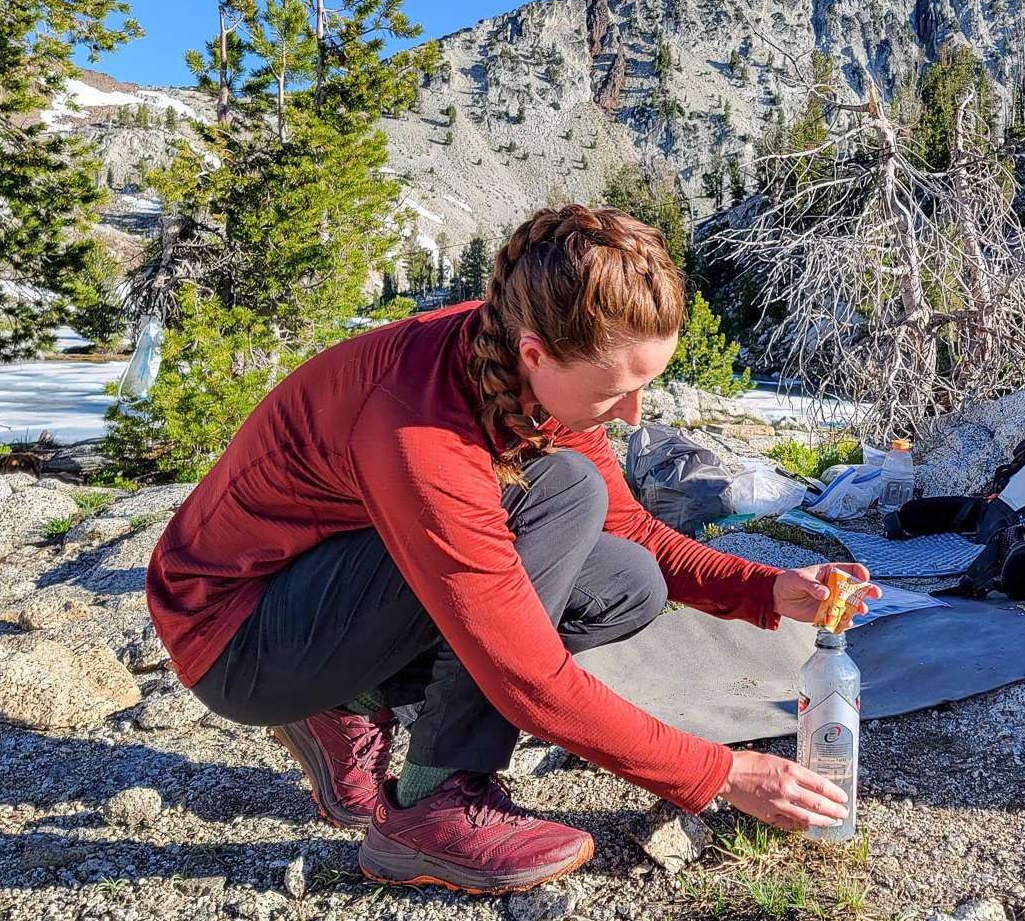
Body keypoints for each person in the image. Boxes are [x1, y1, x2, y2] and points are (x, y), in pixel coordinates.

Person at [145, 205, 876, 895]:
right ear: (537, 354)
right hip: (240, 637)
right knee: (564, 489)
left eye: (648, 385)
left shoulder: (527, 361)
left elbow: (633, 529)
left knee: (628, 581)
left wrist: (766, 590)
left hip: (329, 593)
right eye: (618, 391)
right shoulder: (416, 427)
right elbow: (526, 676)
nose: (633, 414)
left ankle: (349, 696)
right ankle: (434, 806)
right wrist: (720, 773)